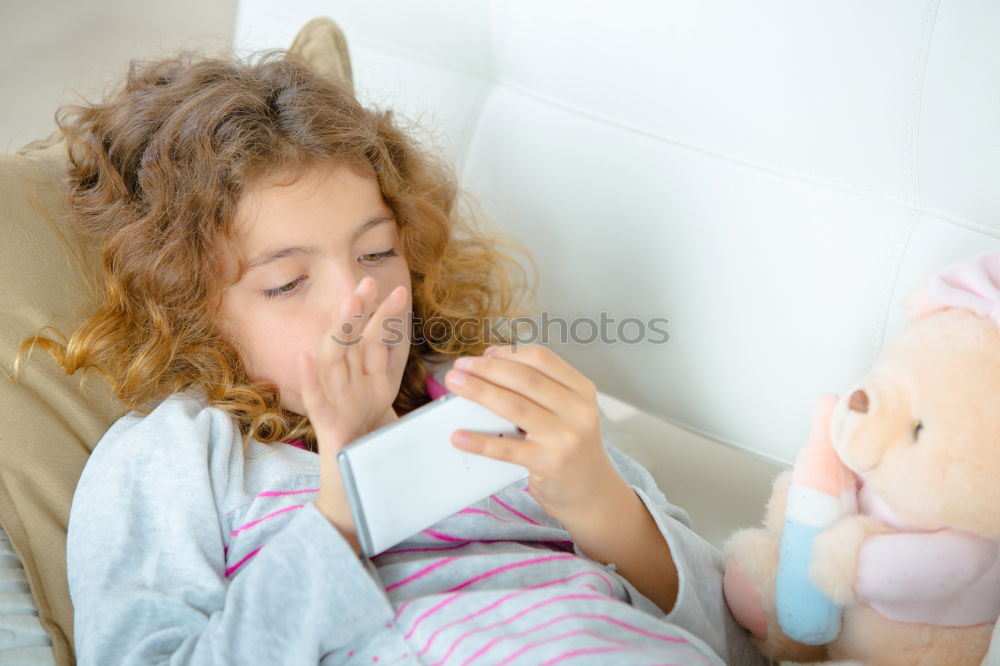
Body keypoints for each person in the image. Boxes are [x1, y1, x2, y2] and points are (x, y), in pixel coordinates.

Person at [18, 49, 766, 665]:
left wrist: (600, 499)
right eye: (287, 283)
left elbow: (737, 640)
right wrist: (344, 509)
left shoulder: (492, 401)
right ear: (191, 314)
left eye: (378, 251)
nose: (360, 298)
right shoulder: (180, 458)